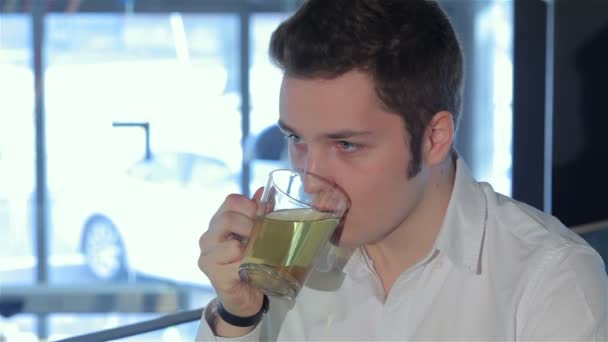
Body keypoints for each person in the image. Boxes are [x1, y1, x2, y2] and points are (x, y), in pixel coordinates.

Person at [196, 0, 608, 340]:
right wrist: (237, 316)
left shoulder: (550, 277)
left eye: (346, 144)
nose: (310, 176)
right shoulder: (285, 265)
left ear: (434, 138)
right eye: (297, 140)